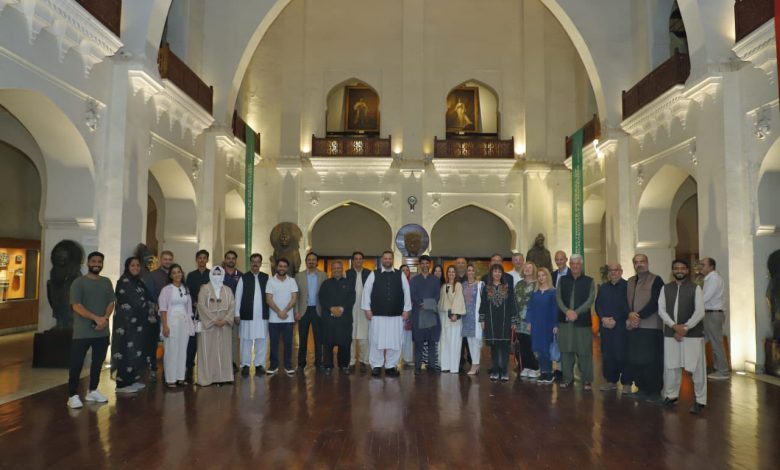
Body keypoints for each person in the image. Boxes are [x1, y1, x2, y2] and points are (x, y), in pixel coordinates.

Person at [658, 259, 707, 414]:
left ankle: (700, 400)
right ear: (672, 270)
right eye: (676, 268)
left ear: (687, 270)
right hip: (671, 333)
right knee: (671, 366)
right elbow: (661, 310)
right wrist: (674, 326)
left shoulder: (695, 288)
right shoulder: (666, 288)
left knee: (697, 368)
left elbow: (700, 312)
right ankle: (671, 395)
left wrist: (685, 328)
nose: (679, 270)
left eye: (682, 268)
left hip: (692, 334)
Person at [67, 251, 115, 409]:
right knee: (76, 363)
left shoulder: (106, 282)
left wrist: (104, 318)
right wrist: (96, 318)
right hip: (82, 333)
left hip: (102, 331)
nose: (97, 264)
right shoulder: (78, 283)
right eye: (93, 261)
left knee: (98, 363)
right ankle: (72, 395)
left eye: (100, 262)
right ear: (88, 263)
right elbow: (76, 306)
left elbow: (111, 302)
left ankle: (93, 390)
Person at [361, 250, 412, 377]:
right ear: (382, 260)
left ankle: (391, 366)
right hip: (377, 315)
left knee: (395, 341)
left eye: (390, 258)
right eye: (385, 258)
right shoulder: (374, 274)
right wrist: (367, 309)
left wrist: (406, 310)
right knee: (376, 340)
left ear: (393, 260)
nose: (388, 260)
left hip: (396, 315)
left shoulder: (400, 275)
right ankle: (376, 365)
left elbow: (407, 292)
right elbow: (366, 291)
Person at [625, 253, 666, 403]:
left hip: (651, 327)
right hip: (634, 327)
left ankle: (654, 392)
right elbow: (625, 302)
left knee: (652, 361)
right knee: (637, 360)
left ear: (647, 263)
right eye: (636, 262)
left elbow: (655, 302)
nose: (639, 264)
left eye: (642, 261)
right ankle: (641, 389)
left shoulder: (656, 280)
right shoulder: (630, 281)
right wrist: (630, 315)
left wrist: (638, 316)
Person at [113, 257, 154, 394]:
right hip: (126, 325)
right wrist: (147, 307)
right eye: (132, 265)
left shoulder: (137, 281)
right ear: (127, 267)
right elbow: (133, 301)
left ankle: (132, 380)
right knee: (126, 352)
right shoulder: (124, 281)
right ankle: (122, 383)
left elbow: (147, 297)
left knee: (136, 352)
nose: (135, 268)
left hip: (138, 324)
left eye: (137, 265)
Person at [555, 254, 596, 390]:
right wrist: (567, 311)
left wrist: (576, 313)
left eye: (577, 263)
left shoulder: (589, 281)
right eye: (572, 263)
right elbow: (558, 298)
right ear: (570, 264)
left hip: (582, 322)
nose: (575, 266)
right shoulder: (562, 280)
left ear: (581, 264)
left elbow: (590, 300)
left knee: (584, 351)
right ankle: (567, 378)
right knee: (566, 351)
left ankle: (587, 380)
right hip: (565, 321)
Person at [196, 266, 235, 386]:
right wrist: (213, 320)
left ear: (222, 275)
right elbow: (201, 305)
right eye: (215, 274)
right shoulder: (204, 289)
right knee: (208, 352)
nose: (217, 276)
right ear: (210, 275)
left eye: (219, 274)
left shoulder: (228, 290)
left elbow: (232, 305)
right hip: (209, 325)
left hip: (224, 325)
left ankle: (224, 377)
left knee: (224, 351)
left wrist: (226, 319)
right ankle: (208, 378)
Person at [594, 263, 630, 391]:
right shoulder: (603, 287)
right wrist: (603, 318)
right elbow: (598, 305)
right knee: (607, 355)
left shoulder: (628, 286)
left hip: (621, 326)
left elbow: (629, 306)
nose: (613, 272)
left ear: (621, 271)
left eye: (616, 270)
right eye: (610, 270)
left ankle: (626, 383)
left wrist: (616, 319)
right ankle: (610, 381)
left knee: (623, 354)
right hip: (606, 326)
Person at [158, 264, 194, 388]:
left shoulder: (185, 289)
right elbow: (163, 310)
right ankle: (170, 379)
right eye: (174, 273)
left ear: (182, 273)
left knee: (182, 350)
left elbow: (189, 309)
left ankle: (180, 378)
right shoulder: (166, 290)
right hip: (171, 322)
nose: (177, 274)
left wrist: (190, 323)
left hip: (184, 322)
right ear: (170, 276)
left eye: (179, 272)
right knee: (171, 351)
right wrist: (165, 326)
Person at [235, 253, 270, 377]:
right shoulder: (243, 278)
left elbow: (270, 296)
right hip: (247, 314)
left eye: (257, 261)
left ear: (260, 263)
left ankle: (259, 365)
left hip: (262, 315)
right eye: (253, 261)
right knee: (246, 340)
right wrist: (236, 313)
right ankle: (245, 365)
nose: (255, 264)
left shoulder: (266, 278)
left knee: (262, 340)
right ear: (250, 263)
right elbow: (238, 296)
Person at [318, 260, 356, 375]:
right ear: (331, 270)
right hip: (328, 320)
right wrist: (331, 308)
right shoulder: (325, 283)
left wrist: (342, 309)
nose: (336, 270)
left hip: (345, 319)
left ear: (342, 269)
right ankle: (328, 366)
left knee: (345, 343)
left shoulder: (349, 283)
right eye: (334, 268)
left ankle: (344, 365)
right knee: (327, 343)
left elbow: (351, 299)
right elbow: (321, 298)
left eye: (338, 268)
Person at [143, 250, 173, 381]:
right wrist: (159, 304)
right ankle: (153, 369)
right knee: (153, 342)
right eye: (165, 259)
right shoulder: (153, 275)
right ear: (161, 260)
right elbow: (148, 293)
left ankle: (170, 369)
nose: (167, 261)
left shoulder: (175, 274)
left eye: (170, 259)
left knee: (171, 342)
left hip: (172, 315)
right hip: (156, 314)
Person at [294, 252, 327, 371]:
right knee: (302, 339)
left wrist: (325, 312)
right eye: (309, 260)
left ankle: (319, 363)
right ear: (306, 262)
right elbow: (296, 295)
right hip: (303, 310)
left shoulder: (323, 275)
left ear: (317, 262)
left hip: (318, 310)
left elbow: (326, 295)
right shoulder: (299, 276)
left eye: (314, 260)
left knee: (319, 339)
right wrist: (296, 311)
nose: (311, 261)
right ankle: (301, 364)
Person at [265, 258, 299, 376]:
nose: (282, 268)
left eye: (284, 266)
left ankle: (288, 365)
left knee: (288, 343)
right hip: (273, 319)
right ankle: (273, 365)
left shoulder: (292, 281)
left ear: (287, 268)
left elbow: (294, 298)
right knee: (273, 343)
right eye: (280, 266)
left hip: (288, 319)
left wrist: (284, 311)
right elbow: (268, 299)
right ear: (277, 267)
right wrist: (279, 312)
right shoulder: (270, 281)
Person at [698, 257, 730, 380]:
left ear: (711, 267)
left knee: (716, 343)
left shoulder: (714, 279)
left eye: (703, 264)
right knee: (701, 340)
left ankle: (723, 371)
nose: (700, 266)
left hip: (713, 314)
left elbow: (705, 297)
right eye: (700, 264)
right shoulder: (709, 279)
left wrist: (692, 304)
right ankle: (702, 367)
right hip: (709, 314)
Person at [410, 255, 442, 374]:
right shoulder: (414, 280)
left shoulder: (435, 280)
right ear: (419, 265)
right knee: (418, 342)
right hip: (418, 313)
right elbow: (412, 294)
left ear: (430, 265)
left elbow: (437, 296)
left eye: (426, 263)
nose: (425, 265)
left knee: (431, 341)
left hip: (431, 313)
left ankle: (432, 366)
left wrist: (427, 304)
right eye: (422, 263)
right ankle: (418, 367)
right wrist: (421, 303)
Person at [526, 268, 558, 384]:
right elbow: (530, 308)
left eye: (543, 275)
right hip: (536, 325)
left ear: (547, 276)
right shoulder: (535, 293)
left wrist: (555, 325)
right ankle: (542, 372)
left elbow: (555, 310)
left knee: (546, 350)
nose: (541, 278)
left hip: (548, 325)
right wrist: (529, 322)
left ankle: (549, 373)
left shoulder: (553, 292)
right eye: (539, 276)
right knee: (538, 349)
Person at [184, 249, 210, 384]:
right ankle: (189, 366)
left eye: (204, 258)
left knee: (206, 341)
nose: (202, 260)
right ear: (196, 260)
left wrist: (205, 306)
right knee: (192, 341)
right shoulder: (191, 275)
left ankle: (206, 368)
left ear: (207, 260)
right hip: (194, 312)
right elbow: (187, 291)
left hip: (208, 313)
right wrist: (195, 303)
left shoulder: (211, 274)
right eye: (199, 258)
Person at [347, 251, 371, 372]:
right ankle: (351, 361)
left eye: (360, 258)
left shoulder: (369, 273)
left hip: (365, 309)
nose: (358, 260)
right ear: (353, 261)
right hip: (350, 309)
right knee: (350, 336)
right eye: (355, 258)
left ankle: (364, 361)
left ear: (363, 260)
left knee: (364, 336)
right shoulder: (347, 273)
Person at [514, 262, 540, 379]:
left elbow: (539, 303)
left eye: (530, 267)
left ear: (534, 270)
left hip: (532, 319)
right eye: (525, 267)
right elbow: (514, 301)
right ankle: (526, 366)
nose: (527, 269)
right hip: (519, 320)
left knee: (532, 343)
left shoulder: (538, 284)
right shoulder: (519, 284)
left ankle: (535, 367)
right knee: (522, 344)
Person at [439, 266, 466, 373]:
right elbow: (441, 302)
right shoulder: (444, 286)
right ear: (447, 274)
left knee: (455, 342)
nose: (451, 273)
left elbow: (459, 299)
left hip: (454, 317)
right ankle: (445, 365)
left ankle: (454, 367)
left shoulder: (458, 285)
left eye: (453, 272)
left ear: (456, 274)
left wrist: (455, 314)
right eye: (449, 272)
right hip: (444, 317)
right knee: (445, 341)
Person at [222, 250, 242, 373]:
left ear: (236, 260)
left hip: (235, 312)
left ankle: (233, 362)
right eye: (228, 258)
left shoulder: (241, 276)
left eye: (233, 258)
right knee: (221, 338)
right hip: (221, 312)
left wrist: (238, 313)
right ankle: (222, 363)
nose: (230, 260)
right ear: (225, 260)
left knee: (234, 339)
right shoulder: (219, 274)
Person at [461, 264, 484, 375]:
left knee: (476, 342)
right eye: (469, 270)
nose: (470, 272)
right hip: (466, 317)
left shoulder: (480, 285)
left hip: (476, 317)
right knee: (470, 341)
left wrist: (483, 318)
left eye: (472, 270)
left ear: (475, 272)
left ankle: (475, 364)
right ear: (466, 272)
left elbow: (484, 302)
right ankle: (475, 364)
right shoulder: (463, 285)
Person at [399, 264, 414, 368]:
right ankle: (397, 359)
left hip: (409, 314)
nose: (405, 272)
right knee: (398, 337)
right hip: (398, 314)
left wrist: (409, 311)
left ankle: (407, 359)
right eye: (403, 270)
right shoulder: (396, 283)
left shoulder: (412, 284)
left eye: (407, 270)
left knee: (408, 337)